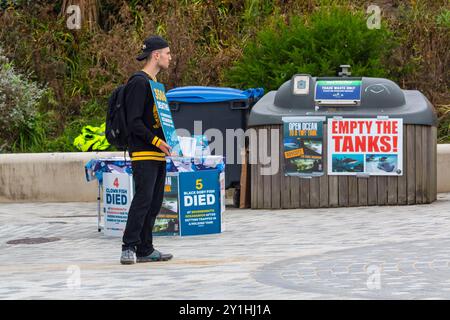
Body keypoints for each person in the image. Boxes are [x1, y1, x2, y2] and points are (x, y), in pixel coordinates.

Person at [120, 35, 173, 265]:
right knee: (143, 200)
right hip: (144, 152)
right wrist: (156, 142)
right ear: (156, 55)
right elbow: (134, 122)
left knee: (154, 202)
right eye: (168, 53)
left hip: (158, 153)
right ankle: (128, 247)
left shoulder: (155, 85)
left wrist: (168, 140)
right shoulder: (138, 83)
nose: (171, 57)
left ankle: (145, 248)